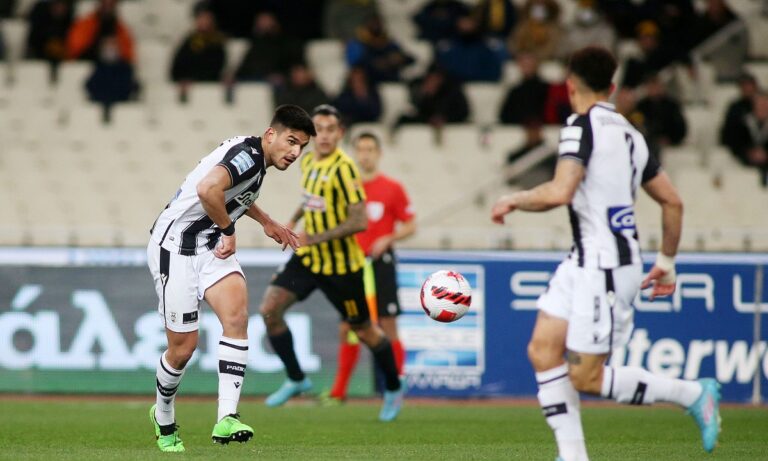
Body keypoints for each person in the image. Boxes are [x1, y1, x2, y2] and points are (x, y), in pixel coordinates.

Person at [490, 46, 721, 461]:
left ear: (569, 85)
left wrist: (514, 199)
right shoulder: (632, 134)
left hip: (606, 268)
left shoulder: (579, 126)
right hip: (584, 261)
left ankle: (691, 394)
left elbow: (560, 191)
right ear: (612, 88)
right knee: (543, 350)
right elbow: (672, 201)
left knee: (586, 377)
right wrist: (666, 264)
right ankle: (572, 456)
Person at [146, 105, 315, 452]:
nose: (295, 152)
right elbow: (209, 189)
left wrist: (266, 221)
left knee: (237, 318)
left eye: (301, 146)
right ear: (271, 135)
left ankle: (227, 417)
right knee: (182, 350)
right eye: (291, 141)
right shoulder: (249, 158)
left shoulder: (254, 157)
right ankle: (163, 415)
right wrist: (229, 230)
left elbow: (231, 191)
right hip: (176, 248)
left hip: (209, 246)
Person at [259, 104, 404, 422]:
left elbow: (359, 221)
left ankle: (393, 387)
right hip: (309, 261)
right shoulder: (308, 160)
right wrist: (292, 222)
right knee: (270, 310)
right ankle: (296, 378)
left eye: (330, 130)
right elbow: (310, 199)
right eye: (319, 129)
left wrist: (314, 237)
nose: (323, 136)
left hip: (342, 267)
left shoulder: (345, 169)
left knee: (364, 330)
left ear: (340, 134)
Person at [323, 131, 416, 403]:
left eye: (370, 149)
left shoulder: (392, 188)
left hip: (380, 264)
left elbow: (411, 224)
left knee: (388, 324)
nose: (365, 155)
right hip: (352, 265)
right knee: (347, 327)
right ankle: (339, 392)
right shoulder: (345, 189)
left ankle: (395, 387)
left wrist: (388, 238)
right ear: (354, 153)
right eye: (360, 149)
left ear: (379, 153)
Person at [170, 2, 227, 85]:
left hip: (208, 87)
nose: (203, 21)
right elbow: (176, 70)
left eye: (207, 18)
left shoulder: (217, 42)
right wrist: (183, 79)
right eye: (200, 17)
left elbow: (216, 70)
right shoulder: (190, 40)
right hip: (190, 87)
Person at [66, 0, 134, 63]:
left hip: (114, 64)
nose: (108, 7)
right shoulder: (86, 24)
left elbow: (128, 55)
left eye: (111, 4)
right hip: (89, 62)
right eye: (105, 3)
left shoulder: (120, 28)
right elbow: (75, 49)